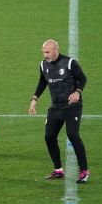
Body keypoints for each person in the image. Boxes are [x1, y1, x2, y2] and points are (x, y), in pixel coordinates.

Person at [29, 39, 89, 183]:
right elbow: (43, 81)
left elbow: (82, 78)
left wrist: (78, 92)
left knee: (73, 135)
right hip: (55, 107)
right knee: (49, 137)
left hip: (72, 107)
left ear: (56, 50)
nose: (45, 55)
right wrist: (34, 99)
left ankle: (84, 171)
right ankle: (58, 170)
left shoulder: (70, 63)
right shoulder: (43, 65)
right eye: (43, 52)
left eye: (48, 52)